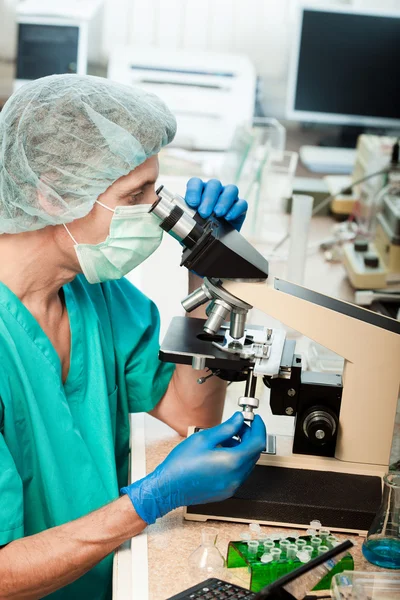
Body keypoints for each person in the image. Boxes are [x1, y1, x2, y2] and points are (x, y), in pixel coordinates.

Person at [0, 74, 266, 600]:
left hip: (111, 577)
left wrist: (210, 277)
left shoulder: (94, 291)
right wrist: (148, 500)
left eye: (155, 189)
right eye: (135, 194)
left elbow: (192, 413)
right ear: (50, 195)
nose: (155, 210)